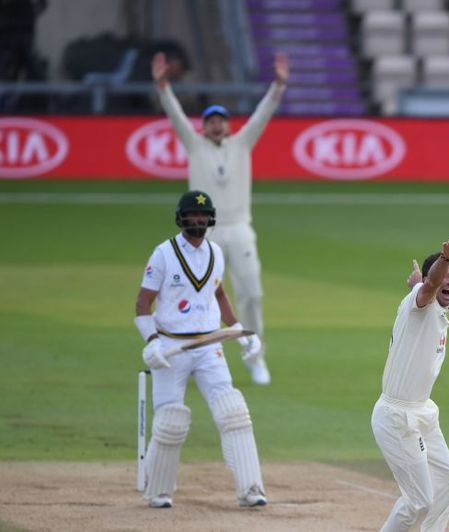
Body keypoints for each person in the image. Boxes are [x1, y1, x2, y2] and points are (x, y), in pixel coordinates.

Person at [151, 51, 290, 385]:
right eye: (211, 121)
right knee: (197, 297)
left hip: (240, 229)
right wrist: (163, 87)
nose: (216, 125)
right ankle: (192, 360)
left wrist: (279, 85)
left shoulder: (242, 143)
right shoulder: (194, 145)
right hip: (204, 235)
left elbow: (262, 114)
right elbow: (176, 116)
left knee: (252, 294)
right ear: (204, 126)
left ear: (228, 124)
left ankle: (255, 355)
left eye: (221, 120)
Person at [134, 190, 267, 508]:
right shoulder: (163, 254)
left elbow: (217, 294)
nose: (198, 220)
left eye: (203, 215)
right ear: (181, 218)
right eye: (193, 214)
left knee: (233, 411)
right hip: (171, 346)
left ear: (211, 219)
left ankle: (251, 488)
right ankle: (159, 490)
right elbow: (142, 303)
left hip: (209, 345)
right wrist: (152, 341)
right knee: (170, 419)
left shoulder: (215, 252)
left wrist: (238, 330)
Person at [371, 231, 449, 532]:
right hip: (396, 416)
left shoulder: (435, 307)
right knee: (419, 502)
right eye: (446, 275)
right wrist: (446, 258)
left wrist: (421, 281)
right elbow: (427, 289)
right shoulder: (419, 304)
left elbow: (425, 286)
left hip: (423, 411)